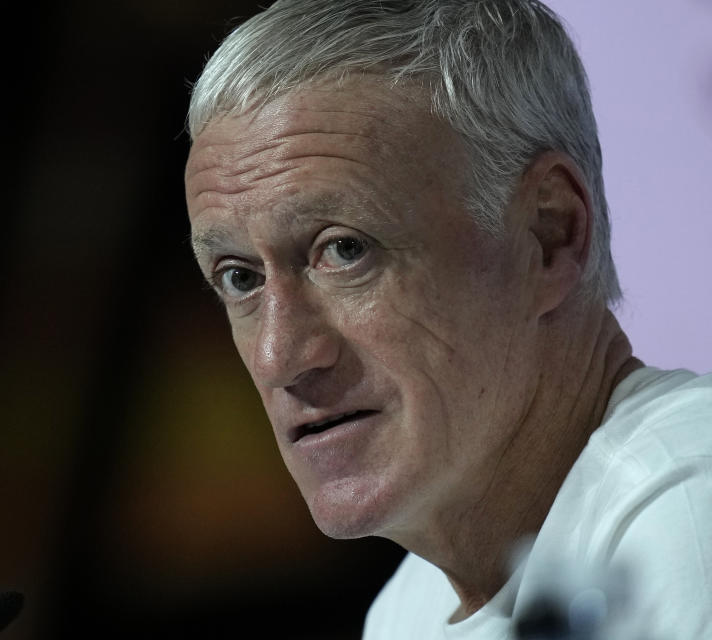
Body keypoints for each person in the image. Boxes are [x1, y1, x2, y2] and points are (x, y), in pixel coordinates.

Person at [182, 0, 712, 638]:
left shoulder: (688, 509)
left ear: (549, 236)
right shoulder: (406, 612)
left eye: (346, 249)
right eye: (240, 278)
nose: (279, 356)